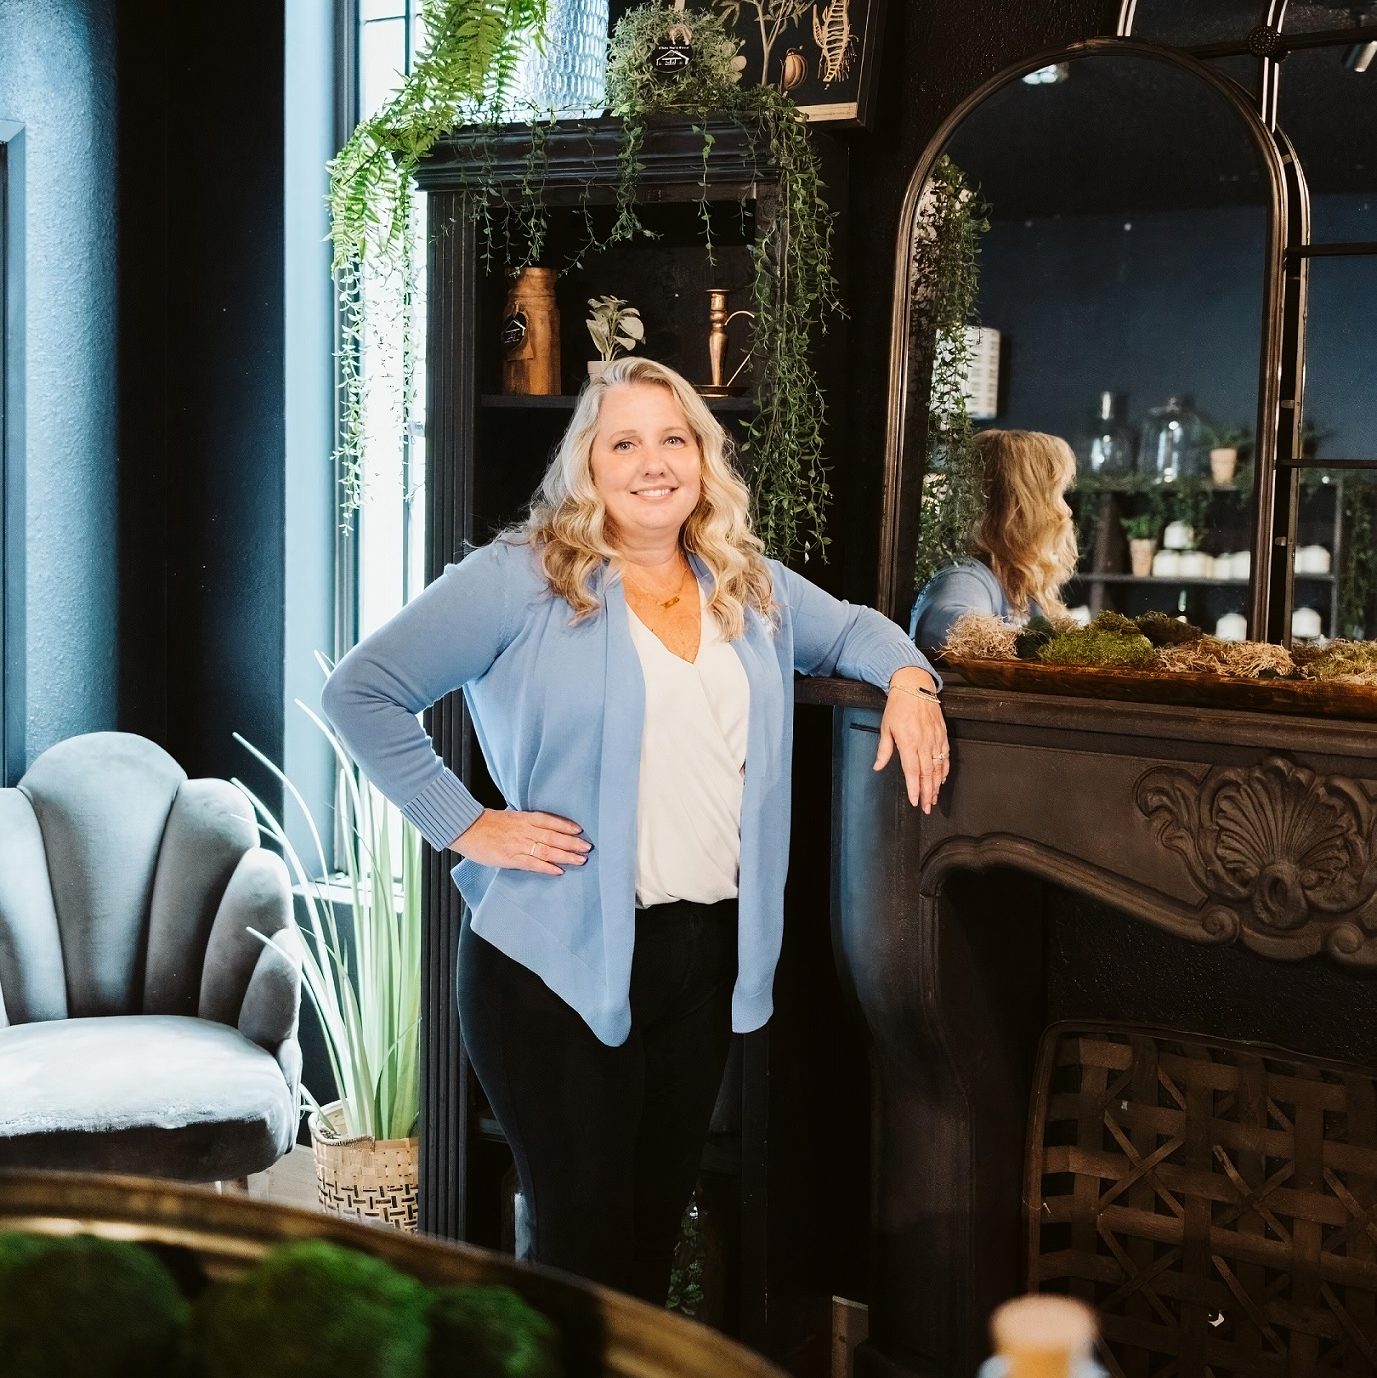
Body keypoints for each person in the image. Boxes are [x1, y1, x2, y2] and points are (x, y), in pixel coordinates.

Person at [321, 356, 947, 1302]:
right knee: (579, 1253)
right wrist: (467, 825)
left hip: (697, 961)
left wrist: (910, 681)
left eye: (673, 438)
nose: (652, 462)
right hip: (547, 968)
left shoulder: (747, 585)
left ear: (702, 457)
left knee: (649, 1243)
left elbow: (860, 630)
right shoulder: (520, 580)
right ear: (588, 465)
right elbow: (360, 692)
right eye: (624, 442)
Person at [909, 428, 1077, 657]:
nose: (1066, 510)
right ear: (1017, 508)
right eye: (1056, 496)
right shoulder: (966, 576)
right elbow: (944, 626)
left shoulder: (1018, 585)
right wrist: (1046, 644)